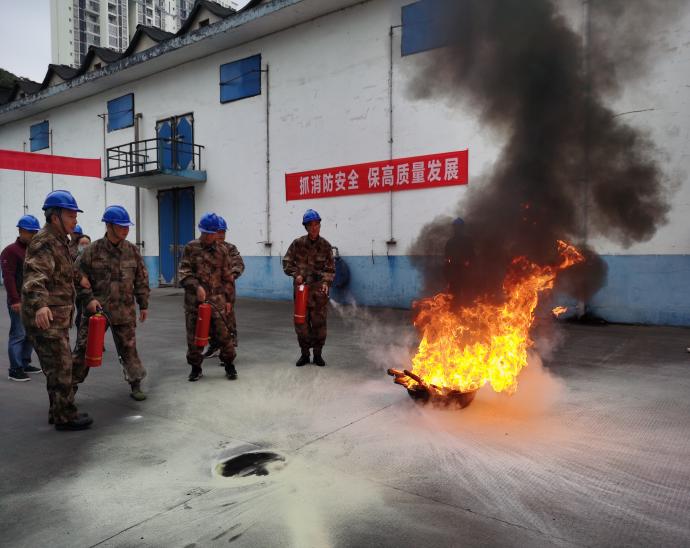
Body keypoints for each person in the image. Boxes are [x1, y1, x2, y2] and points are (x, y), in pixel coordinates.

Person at [21, 190, 92, 431]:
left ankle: (58, 412)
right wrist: (40, 305)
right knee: (62, 366)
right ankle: (65, 416)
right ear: (55, 217)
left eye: (75, 215)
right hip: (46, 317)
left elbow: (64, 269)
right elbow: (35, 276)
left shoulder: (61, 241)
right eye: (70, 215)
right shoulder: (44, 242)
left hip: (57, 317)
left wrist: (80, 278)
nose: (75, 220)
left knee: (56, 367)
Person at [72, 206, 150, 401]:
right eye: (121, 226)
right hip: (97, 311)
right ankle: (69, 388)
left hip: (124, 310)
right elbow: (77, 276)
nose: (125, 230)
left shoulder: (132, 250)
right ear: (108, 226)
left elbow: (141, 278)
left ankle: (135, 384)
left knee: (129, 349)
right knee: (84, 349)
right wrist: (88, 299)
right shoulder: (92, 251)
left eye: (127, 226)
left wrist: (143, 304)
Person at [179, 213, 237, 381]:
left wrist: (229, 300)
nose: (209, 237)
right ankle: (196, 368)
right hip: (194, 303)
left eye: (212, 233)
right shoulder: (191, 248)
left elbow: (228, 278)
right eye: (206, 233)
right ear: (201, 231)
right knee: (195, 337)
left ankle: (229, 365)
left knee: (224, 336)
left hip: (218, 302)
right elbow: (183, 273)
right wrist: (196, 287)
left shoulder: (222, 251)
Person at [282, 209, 335, 367]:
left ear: (320, 225)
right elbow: (286, 262)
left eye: (316, 224)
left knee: (319, 325)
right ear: (305, 227)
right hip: (302, 292)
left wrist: (326, 283)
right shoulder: (298, 244)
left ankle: (318, 355)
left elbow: (330, 269)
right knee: (301, 324)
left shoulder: (325, 246)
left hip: (319, 293)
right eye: (310, 225)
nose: (314, 228)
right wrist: (296, 274)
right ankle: (305, 354)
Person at [1, 215, 41, 381]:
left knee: (30, 334)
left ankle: (24, 363)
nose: (33, 235)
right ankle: (15, 368)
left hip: (33, 299)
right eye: (30, 232)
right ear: (20, 231)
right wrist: (15, 300)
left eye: (35, 232)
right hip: (19, 299)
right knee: (18, 333)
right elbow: (8, 277)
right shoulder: (10, 251)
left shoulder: (33, 251)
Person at [203, 216, 244, 360]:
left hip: (226, 291)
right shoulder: (205, 248)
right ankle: (214, 345)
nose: (221, 235)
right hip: (208, 292)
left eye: (223, 232)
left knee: (227, 320)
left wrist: (230, 275)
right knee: (209, 320)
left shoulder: (230, 248)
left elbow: (239, 264)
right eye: (218, 231)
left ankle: (228, 351)